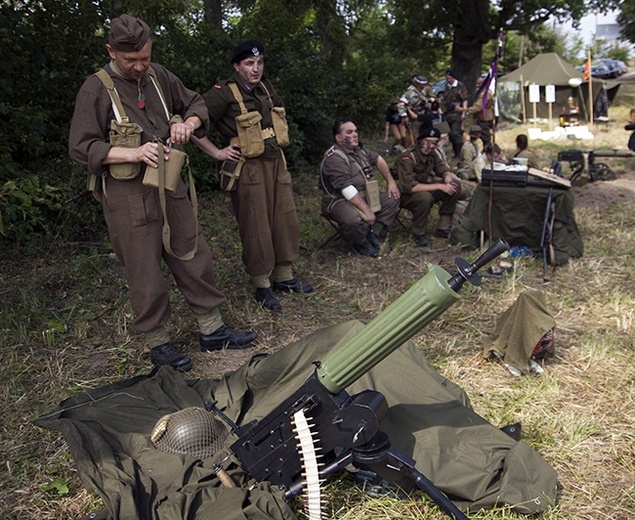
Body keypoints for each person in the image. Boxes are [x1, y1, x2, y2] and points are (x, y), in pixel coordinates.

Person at [68, 14, 256, 372]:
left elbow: (196, 104)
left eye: (145, 58)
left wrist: (188, 124)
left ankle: (212, 329)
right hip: (128, 194)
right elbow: (81, 147)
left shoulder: (160, 76)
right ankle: (159, 343)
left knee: (192, 250)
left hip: (169, 184)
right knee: (143, 269)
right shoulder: (96, 88)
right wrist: (131, 153)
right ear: (111, 51)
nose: (139, 67)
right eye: (130, 61)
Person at [197, 40, 313, 313]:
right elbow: (193, 121)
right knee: (256, 225)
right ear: (237, 66)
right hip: (248, 168)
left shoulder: (266, 87)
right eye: (249, 63)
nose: (256, 68)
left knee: (285, 218)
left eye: (259, 63)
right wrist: (216, 152)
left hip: (276, 163)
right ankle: (262, 284)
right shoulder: (223, 92)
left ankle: (284, 276)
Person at [319, 118, 401, 257]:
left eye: (356, 131)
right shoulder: (334, 157)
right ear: (338, 138)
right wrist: (366, 210)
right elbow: (346, 189)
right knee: (353, 219)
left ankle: (374, 232)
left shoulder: (359, 151)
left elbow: (378, 159)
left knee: (392, 198)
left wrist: (390, 181)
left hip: (362, 194)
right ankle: (361, 242)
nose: (355, 135)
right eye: (349, 132)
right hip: (339, 200)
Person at [393, 127, 461, 247]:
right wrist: (439, 186)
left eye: (434, 143)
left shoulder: (432, 154)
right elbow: (409, 187)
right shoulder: (407, 157)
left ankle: (443, 227)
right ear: (420, 140)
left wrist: (447, 175)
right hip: (404, 195)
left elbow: (441, 168)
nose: (429, 146)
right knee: (425, 197)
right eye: (427, 141)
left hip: (423, 189)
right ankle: (418, 233)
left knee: (455, 185)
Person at [442, 69, 468, 159]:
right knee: (449, 134)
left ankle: (458, 154)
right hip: (448, 113)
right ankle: (455, 152)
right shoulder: (447, 86)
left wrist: (464, 112)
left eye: (450, 78)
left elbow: (465, 99)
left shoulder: (460, 86)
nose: (449, 80)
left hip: (457, 112)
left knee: (455, 133)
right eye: (447, 78)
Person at [465, 75, 495, 145]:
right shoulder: (483, 92)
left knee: (485, 136)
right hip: (481, 117)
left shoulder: (485, 94)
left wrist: (465, 110)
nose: (477, 86)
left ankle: (488, 149)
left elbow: (478, 107)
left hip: (484, 117)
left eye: (479, 84)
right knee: (481, 134)